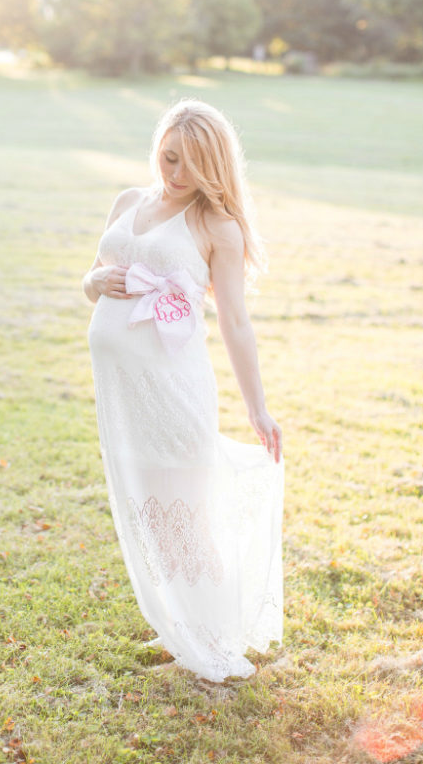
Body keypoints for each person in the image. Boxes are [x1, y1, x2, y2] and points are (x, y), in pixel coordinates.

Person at [83, 98, 284, 683]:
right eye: (169, 158)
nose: (175, 175)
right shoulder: (126, 202)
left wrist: (258, 407)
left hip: (172, 392)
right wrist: (94, 280)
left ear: (213, 169)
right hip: (121, 395)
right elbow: (92, 278)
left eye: (191, 166)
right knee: (151, 512)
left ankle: (214, 640)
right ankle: (184, 626)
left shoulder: (215, 227)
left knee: (185, 519)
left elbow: (235, 323)